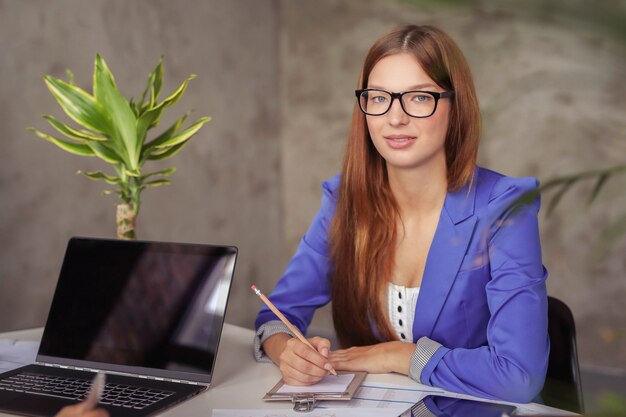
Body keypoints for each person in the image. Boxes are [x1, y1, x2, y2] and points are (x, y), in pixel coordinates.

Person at [254, 24, 549, 403]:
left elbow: (518, 377)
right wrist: (285, 351)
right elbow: (277, 314)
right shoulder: (343, 201)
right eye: (379, 98)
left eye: (419, 98)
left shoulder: (504, 207)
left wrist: (399, 355)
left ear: (454, 106)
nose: (395, 118)